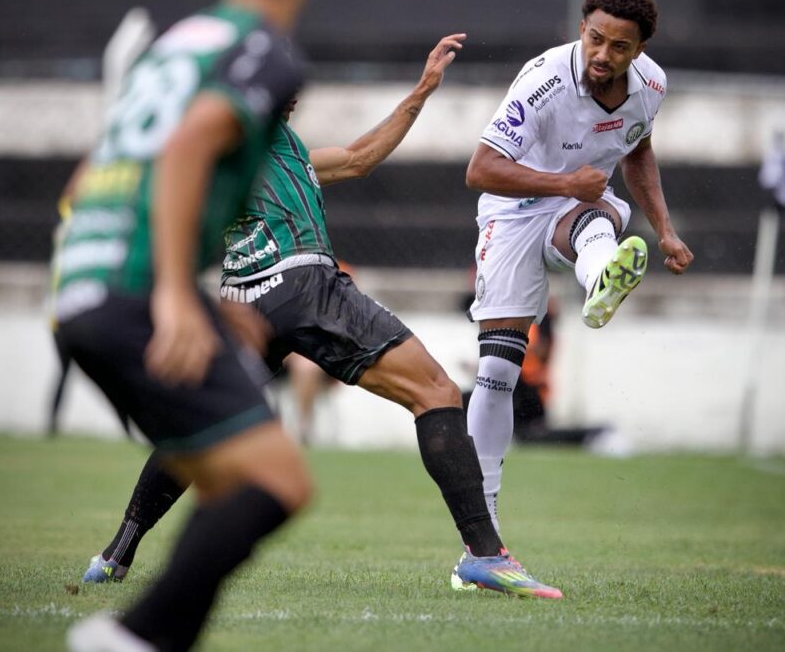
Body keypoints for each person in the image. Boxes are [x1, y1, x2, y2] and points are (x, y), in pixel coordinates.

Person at [80, 36, 563, 603]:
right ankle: (486, 556)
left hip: (246, 299)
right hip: (305, 284)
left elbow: (361, 156)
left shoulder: (278, 147)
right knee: (435, 392)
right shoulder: (234, 137)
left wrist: (421, 91)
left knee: (198, 428)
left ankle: (113, 558)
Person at [55, 0, 321, 652]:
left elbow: (102, 162)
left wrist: (195, 297)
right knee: (277, 483)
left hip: (85, 281)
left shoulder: (177, 45)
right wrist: (175, 291)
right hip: (137, 289)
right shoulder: (266, 53)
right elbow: (188, 148)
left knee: (222, 485)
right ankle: (132, 635)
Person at [464, 0, 694, 532]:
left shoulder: (651, 86)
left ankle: (601, 279)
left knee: (598, 219)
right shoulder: (543, 80)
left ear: (639, 51)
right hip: (512, 215)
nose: (603, 55)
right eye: (595, 39)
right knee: (497, 370)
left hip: (580, 206)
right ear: (581, 29)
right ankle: (483, 525)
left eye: (620, 46)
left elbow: (637, 149)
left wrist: (664, 230)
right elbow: (479, 170)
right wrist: (565, 181)